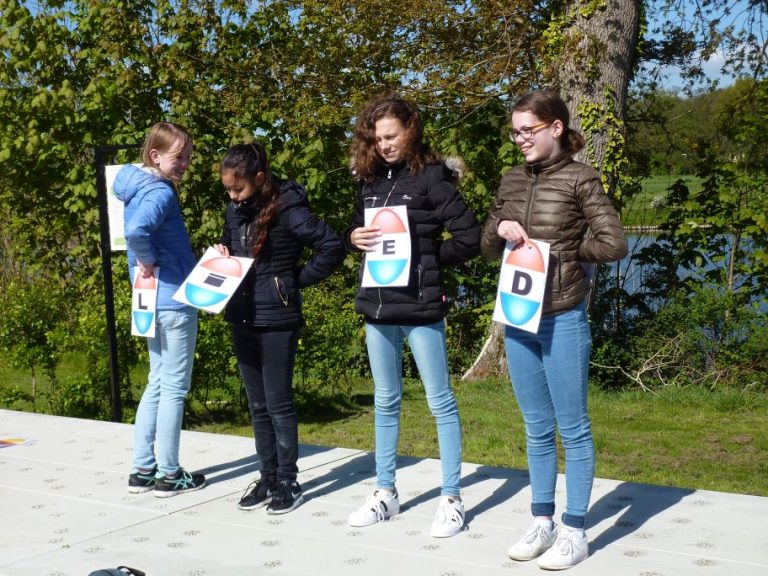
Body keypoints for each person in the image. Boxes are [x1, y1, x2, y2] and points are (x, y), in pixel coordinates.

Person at [481, 89, 628, 570]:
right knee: (536, 427)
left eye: (528, 130)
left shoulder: (582, 178)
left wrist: (563, 253)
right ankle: (541, 521)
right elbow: (486, 246)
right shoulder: (510, 179)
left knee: (574, 427)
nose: (520, 139)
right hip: (518, 317)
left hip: (563, 316)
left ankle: (575, 529)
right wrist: (500, 228)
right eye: (515, 132)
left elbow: (613, 244)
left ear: (556, 128)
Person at [344, 94, 480, 538]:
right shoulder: (368, 181)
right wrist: (353, 237)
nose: (384, 145)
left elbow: (470, 237)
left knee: (440, 401)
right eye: (377, 138)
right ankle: (385, 492)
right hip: (377, 308)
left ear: (411, 131)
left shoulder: (433, 178)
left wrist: (426, 260)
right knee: (385, 400)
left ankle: (452, 498)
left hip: (421, 309)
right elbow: (359, 233)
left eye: (392, 136)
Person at [214, 142, 344, 514]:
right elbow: (231, 244)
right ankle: (267, 477)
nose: (232, 196)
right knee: (257, 405)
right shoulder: (234, 210)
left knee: (278, 403)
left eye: (238, 188)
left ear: (259, 178)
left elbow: (332, 246)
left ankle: (288, 480)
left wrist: (293, 280)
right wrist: (222, 253)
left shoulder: (289, 208)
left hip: (277, 319)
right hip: (241, 314)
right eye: (227, 189)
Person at [114, 121, 205, 497]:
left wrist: (144, 262)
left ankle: (142, 469)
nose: (184, 164)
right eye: (178, 157)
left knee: (156, 381)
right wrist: (148, 258)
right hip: (173, 299)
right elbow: (137, 231)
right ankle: (169, 473)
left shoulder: (136, 186)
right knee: (174, 388)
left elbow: (137, 230)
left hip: (149, 298)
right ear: (155, 155)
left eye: (188, 157)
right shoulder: (160, 192)